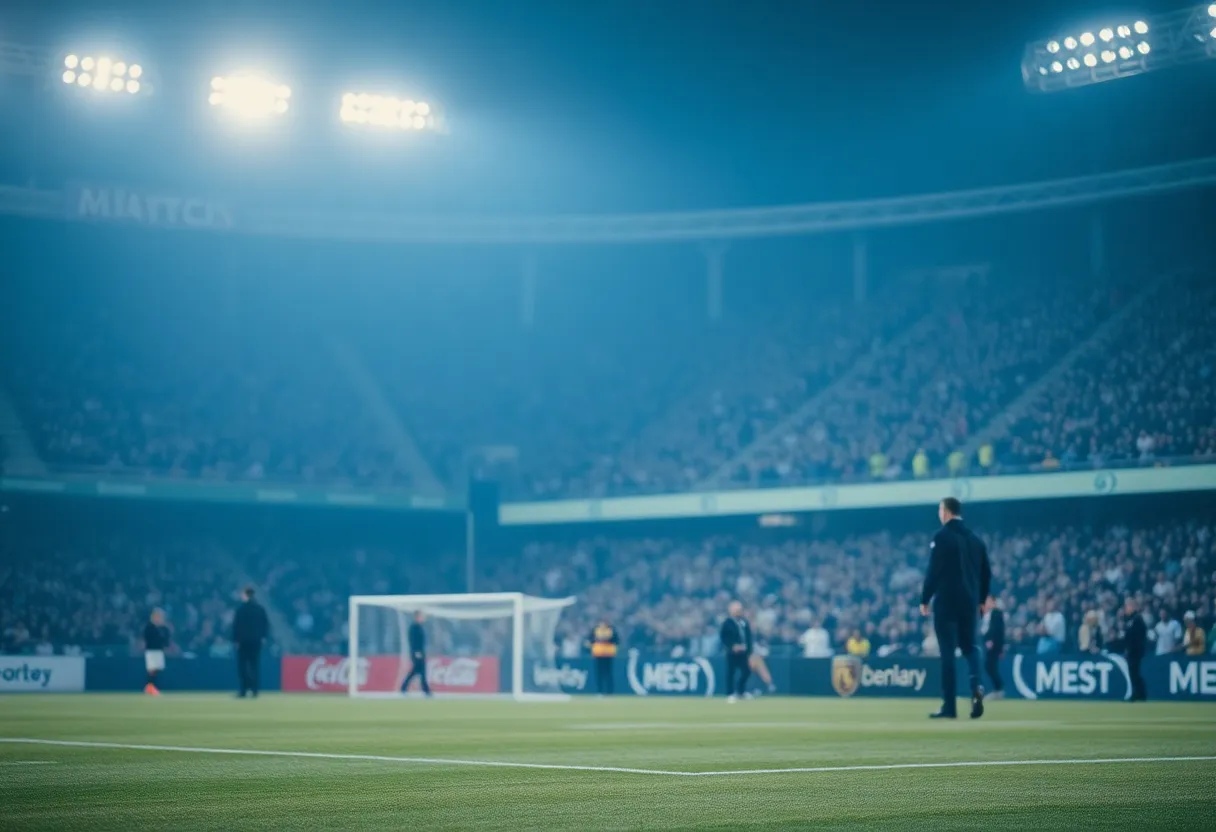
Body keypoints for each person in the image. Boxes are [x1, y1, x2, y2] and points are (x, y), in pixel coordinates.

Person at [920, 497, 990, 720]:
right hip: (969, 603)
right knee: (970, 647)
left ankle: (949, 706)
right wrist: (981, 600)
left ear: (946, 512)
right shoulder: (976, 540)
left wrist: (924, 599)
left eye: (940, 509)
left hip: (947, 602)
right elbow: (986, 573)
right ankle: (977, 684)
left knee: (947, 653)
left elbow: (933, 570)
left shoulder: (941, 537)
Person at [233, 586, 270, 699]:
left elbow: (236, 626)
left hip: (243, 642)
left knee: (243, 666)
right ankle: (255, 690)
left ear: (245, 595)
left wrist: (236, 640)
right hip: (256, 641)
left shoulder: (241, 609)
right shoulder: (260, 609)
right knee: (255, 665)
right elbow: (265, 625)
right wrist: (263, 637)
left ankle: (244, 690)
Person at [720, 601, 753, 703]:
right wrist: (732, 646)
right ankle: (730, 693)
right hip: (732, 652)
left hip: (743, 652)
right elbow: (724, 637)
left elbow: (748, 637)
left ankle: (741, 691)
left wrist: (749, 649)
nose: (739, 612)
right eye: (737, 610)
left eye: (740, 610)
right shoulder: (727, 623)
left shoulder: (744, 622)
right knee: (731, 672)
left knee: (746, 671)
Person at [1118, 597, 1149, 701]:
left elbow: (1138, 635)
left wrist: (1133, 647)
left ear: (1132, 607)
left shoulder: (1137, 619)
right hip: (1132, 651)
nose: (1126, 609)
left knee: (1134, 673)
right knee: (1133, 673)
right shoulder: (1131, 619)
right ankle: (1138, 693)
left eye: (1127, 606)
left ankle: (1139, 693)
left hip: (1135, 651)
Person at [400, 611, 432, 696]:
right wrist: (416, 652)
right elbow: (413, 641)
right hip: (417, 653)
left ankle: (404, 688)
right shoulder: (414, 628)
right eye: (421, 616)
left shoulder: (420, 627)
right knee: (420, 671)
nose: (423, 618)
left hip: (421, 652)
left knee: (416, 671)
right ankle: (426, 690)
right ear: (417, 617)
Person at [586, 618, 619, 696]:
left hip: (608, 654)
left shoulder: (611, 630)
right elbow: (590, 640)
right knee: (599, 674)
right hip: (598, 654)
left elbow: (617, 641)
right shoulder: (595, 630)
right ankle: (600, 691)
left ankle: (609, 691)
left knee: (608, 673)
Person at [142, 608, 171, 696]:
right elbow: (148, 638)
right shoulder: (150, 627)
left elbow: (166, 641)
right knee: (152, 669)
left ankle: (150, 686)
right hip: (151, 650)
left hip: (159, 651)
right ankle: (150, 686)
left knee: (156, 669)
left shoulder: (163, 628)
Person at [982, 596, 1005, 700]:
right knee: (989, 666)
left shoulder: (996, 613)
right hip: (987, 644)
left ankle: (999, 689)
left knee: (990, 666)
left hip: (994, 645)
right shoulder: (987, 614)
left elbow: (998, 630)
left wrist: (996, 644)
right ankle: (997, 689)